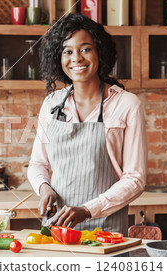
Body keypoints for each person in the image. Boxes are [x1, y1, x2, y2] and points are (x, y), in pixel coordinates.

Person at [27, 13, 147, 234]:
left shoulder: (127, 105)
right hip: (59, 227)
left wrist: (87, 210)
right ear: (58, 58)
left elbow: (136, 178)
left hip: (107, 231)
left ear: (100, 52)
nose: (77, 58)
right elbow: (38, 164)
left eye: (85, 49)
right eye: (68, 51)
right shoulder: (52, 104)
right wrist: (45, 189)